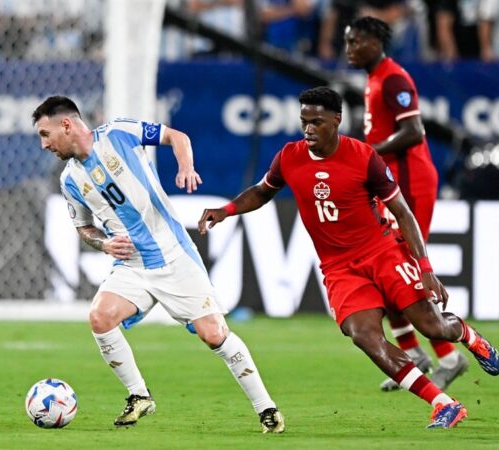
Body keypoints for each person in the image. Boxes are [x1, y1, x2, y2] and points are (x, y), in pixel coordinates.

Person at [198, 86, 499, 429]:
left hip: (382, 252)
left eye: (316, 122)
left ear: (337, 120)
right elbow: (263, 191)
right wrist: (226, 210)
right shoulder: (289, 156)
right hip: (339, 267)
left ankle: (469, 336)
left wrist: (425, 268)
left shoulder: (363, 157)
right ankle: (443, 403)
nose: (308, 129)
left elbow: (403, 213)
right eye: (303, 121)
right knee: (363, 335)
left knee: (434, 327)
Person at [31, 96, 284, 433]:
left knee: (214, 334)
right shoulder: (70, 181)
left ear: (67, 124)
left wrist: (186, 166)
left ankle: (265, 408)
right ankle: (139, 396)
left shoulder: (119, 132)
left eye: (45, 134)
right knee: (100, 316)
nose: (44, 144)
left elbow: (177, 137)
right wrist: (103, 243)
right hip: (132, 265)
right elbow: (83, 228)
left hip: (173, 255)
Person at [344, 16, 468, 393]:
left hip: (409, 183)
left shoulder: (394, 78)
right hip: (391, 182)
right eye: (347, 42)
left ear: (375, 43)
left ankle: (449, 357)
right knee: (385, 272)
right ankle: (415, 354)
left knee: (400, 269)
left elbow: (414, 131)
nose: (349, 49)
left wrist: (368, 156)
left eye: (355, 42)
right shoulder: (374, 78)